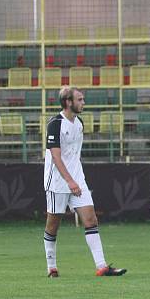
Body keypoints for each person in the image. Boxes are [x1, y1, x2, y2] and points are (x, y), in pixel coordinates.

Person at [43, 86, 126, 278]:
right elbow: (56, 157)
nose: (83, 103)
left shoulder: (79, 123)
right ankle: (51, 267)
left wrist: (76, 180)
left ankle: (102, 266)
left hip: (77, 180)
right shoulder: (55, 124)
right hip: (57, 182)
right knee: (53, 224)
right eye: (80, 99)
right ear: (68, 102)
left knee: (91, 219)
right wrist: (69, 181)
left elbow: (73, 156)